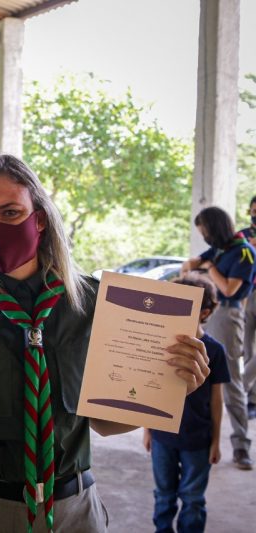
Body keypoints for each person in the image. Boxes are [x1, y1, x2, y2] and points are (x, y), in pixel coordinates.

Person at [0, 153, 210, 533]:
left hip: (70, 510)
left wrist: (167, 386)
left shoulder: (92, 303)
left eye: (9, 213)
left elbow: (105, 421)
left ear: (39, 218)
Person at [143, 274, 229, 533]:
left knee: (192, 499)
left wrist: (215, 440)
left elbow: (217, 398)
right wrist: (148, 429)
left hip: (198, 440)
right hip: (162, 436)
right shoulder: (163, 346)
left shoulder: (214, 351)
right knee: (163, 494)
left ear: (204, 312)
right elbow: (152, 388)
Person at [182, 206, 256, 470]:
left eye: (206, 232)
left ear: (216, 228)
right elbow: (189, 266)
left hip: (227, 315)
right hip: (205, 313)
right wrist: (193, 267)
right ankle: (194, 440)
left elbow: (228, 288)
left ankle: (240, 445)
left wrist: (209, 267)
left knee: (230, 382)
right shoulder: (221, 248)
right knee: (192, 373)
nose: (204, 238)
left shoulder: (243, 251)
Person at [238, 196, 256, 420]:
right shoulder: (242, 235)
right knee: (247, 348)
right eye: (253, 210)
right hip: (245, 296)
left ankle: (239, 386)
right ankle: (251, 399)